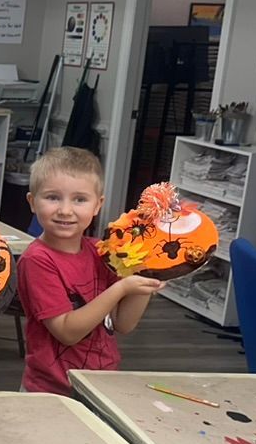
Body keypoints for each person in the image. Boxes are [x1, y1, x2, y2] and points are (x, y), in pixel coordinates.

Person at [18, 147, 162, 395]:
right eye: (53, 197)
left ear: (98, 205)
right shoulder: (37, 260)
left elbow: (123, 324)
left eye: (80, 199)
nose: (65, 210)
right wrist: (121, 288)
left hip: (101, 385)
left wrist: (145, 279)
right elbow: (66, 332)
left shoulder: (101, 251)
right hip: (51, 391)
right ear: (32, 202)